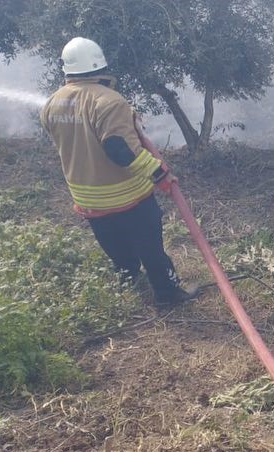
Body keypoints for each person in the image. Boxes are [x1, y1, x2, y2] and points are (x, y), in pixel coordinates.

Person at [40, 36, 195, 306]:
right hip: (126, 196)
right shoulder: (109, 101)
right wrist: (159, 173)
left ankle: (129, 284)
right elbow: (120, 149)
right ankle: (167, 293)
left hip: (87, 199)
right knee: (150, 246)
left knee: (115, 247)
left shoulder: (53, 102)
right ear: (100, 67)